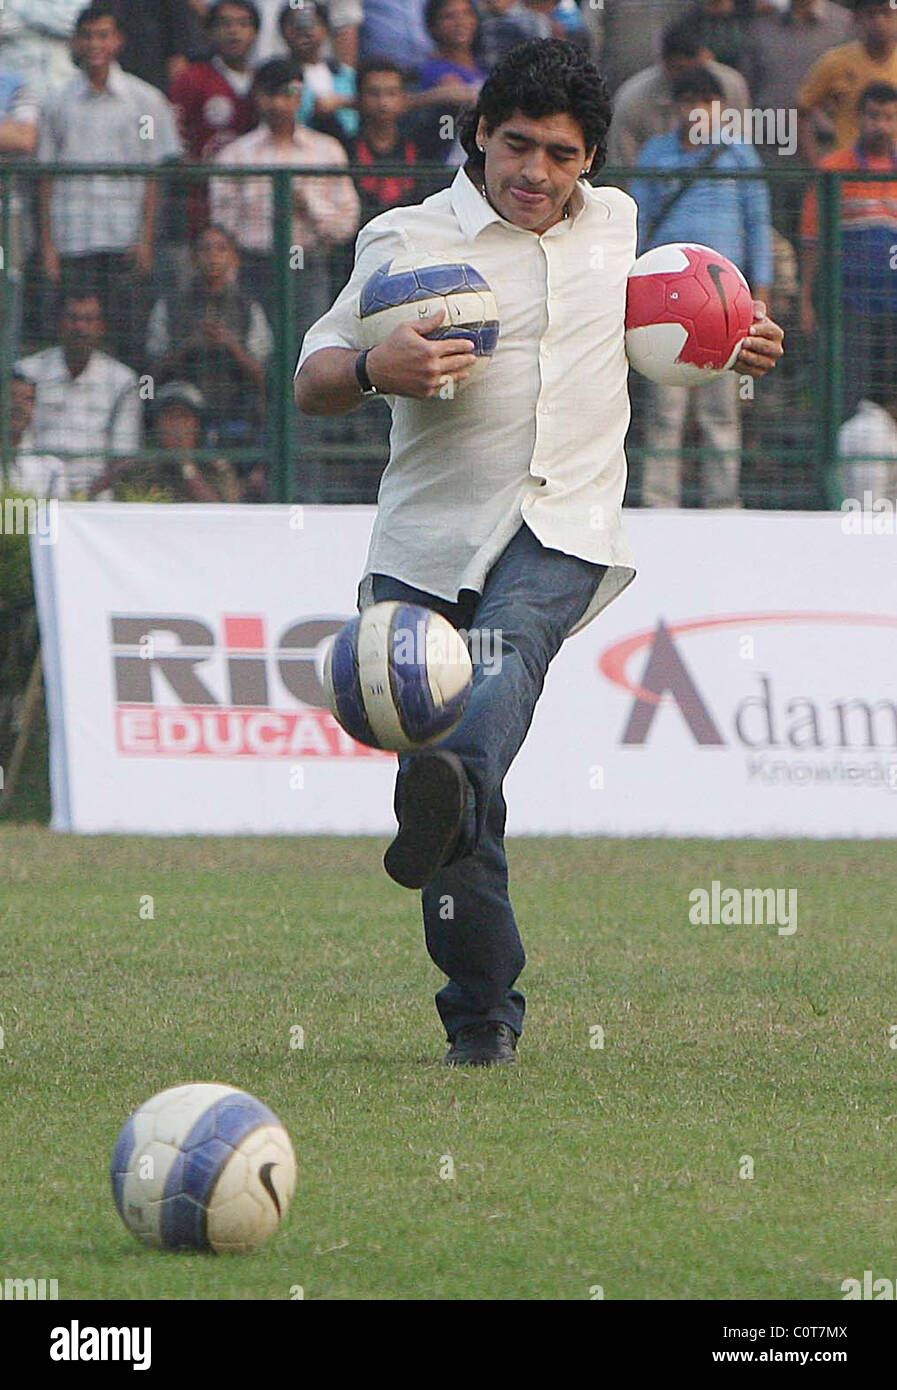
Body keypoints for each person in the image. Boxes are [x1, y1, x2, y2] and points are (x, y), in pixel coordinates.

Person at [294, 39, 784, 1066]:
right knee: (447, 812)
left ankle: (456, 779)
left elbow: (672, 318)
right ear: (478, 135)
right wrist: (380, 366)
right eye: (517, 146)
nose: (536, 173)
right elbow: (315, 378)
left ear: (591, 161)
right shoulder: (406, 235)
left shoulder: (619, 227)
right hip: (423, 546)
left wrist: (731, 337)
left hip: (564, 525)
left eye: (561, 156)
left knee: (503, 657)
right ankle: (481, 1020)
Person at [631, 67, 773, 508]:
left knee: (721, 411)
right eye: (688, 101)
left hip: (727, 303)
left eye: (706, 102)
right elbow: (637, 222)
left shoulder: (740, 156)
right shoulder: (654, 155)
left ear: (721, 109)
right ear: (674, 109)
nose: (696, 110)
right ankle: (658, 503)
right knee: (664, 409)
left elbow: (758, 226)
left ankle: (722, 503)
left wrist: (761, 296)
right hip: (664, 303)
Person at [37, 2, 182, 369]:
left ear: (118, 41)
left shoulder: (146, 100)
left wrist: (147, 240)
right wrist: (49, 246)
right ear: (76, 43)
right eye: (87, 36)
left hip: (125, 241)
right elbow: (46, 177)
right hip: (74, 241)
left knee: (129, 338)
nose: (95, 44)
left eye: (103, 35)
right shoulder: (57, 103)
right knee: (73, 338)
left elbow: (154, 177)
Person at [209, 57, 359, 341]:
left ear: (300, 96)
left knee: (311, 345)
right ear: (257, 97)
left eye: (287, 94)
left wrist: (310, 207)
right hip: (252, 267)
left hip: (309, 265)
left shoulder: (327, 151)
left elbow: (347, 221)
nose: (278, 104)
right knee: (256, 348)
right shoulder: (234, 156)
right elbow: (221, 222)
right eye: (270, 94)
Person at [799, 82, 897, 418]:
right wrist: (806, 298)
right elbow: (813, 239)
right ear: (859, 118)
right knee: (848, 398)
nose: (880, 125)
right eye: (873, 116)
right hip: (849, 305)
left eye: (888, 117)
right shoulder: (833, 169)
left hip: (894, 304)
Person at [147, 224, 273, 462]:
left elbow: (263, 377)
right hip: (182, 408)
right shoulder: (169, 306)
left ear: (234, 258)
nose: (213, 257)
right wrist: (188, 347)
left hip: (235, 410)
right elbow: (150, 376)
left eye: (221, 249)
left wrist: (232, 346)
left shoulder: (249, 309)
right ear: (193, 258)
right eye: (205, 250)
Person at [15, 287, 142, 498]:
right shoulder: (27, 371)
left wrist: (84, 498)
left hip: (96, 498)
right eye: (73, 318)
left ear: (102, 327)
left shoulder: (124, 381)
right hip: (33, 488)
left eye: (89, 319)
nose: (80, 327)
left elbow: (124, 456)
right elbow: (15, 440)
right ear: (59, 323)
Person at [606, 14, 750, 168]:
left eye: (695, 67)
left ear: (707, 57)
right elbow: (624, 165)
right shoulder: (632, 99)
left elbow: (743, 148)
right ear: (663, 63)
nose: (688, 77)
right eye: (679, 69)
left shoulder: (732, 86)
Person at [170, 0, 260, 237]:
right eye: (225, 24)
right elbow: (176, 145)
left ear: (255, 32)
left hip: (255, 205)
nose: (234, 31)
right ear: (209, 31)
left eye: (243, 24)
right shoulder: (192, 78)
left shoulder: (264, 81)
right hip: (201, 202)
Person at [798, 0, 897, 162]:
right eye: (871, 14)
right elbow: (801, 113)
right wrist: (817, 167)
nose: (879, 21)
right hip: (848, 171)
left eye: (886, 13)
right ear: (856, 19)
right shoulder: (835, 62)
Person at [348, 59, 420, 226]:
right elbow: (323, 110)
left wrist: (415, 102)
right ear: (359, 98)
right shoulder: (345, 147)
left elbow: (452, 103)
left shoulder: (421, 145)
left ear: (403, 98)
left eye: (392, 93)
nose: (383, 103)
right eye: (374, 93)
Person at [279, 0, 358, 146]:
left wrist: (342, 103)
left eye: (311, 24)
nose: (303, 31)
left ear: (326, 29)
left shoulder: (346, 74)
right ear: (283, 31)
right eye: (295, 24)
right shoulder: (277, 76)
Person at [2, 371, 68, 498]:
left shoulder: (51, 468)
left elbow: (60, 515)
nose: (19, 405)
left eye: (28, 399)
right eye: (11, 396)